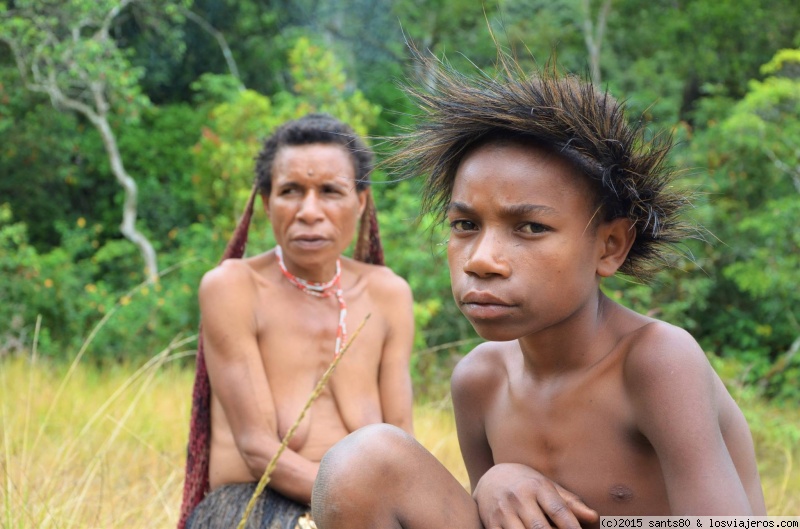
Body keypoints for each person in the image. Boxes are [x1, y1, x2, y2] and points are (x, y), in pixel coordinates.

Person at [310, 54, 766, 528]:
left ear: (610, 246)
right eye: (465, 224)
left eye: (529, 227)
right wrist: (493, 484)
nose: (481, 259)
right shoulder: (479, 382)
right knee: (364, 462)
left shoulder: (658, 363)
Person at [178, 113, 415, 529]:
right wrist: (371, 510)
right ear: (267, 203)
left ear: (360, 202)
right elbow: (257, 450)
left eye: (329, 191)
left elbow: (402, 445)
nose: (309, 211)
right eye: (291, 191)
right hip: (250, 506)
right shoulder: (233, 288)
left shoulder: (388, 295)